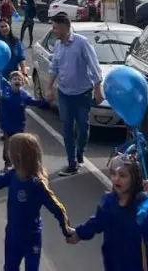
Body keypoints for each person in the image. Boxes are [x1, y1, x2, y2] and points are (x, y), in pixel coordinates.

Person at [0, 133, 72, 271]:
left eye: (10, 149)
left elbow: (57, 208)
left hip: (32, 237)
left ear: (18, 155)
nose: (8, 151)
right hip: (13, 235)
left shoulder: (37, 184)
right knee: (10, 267)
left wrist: (66, 230)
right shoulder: (12, 175)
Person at [68, 151, 148, 271]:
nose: (117, 179)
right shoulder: (108, 203)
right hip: (114, 263)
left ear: (134, 178)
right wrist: (78, 234)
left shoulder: (144, 203)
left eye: (123, 175)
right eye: (113, 174)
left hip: (139, 265)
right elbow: (96, 223)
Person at [45, 14, 103, 176]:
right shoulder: (58, 45)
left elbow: (94, 66)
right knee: (67, 128)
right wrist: (50, 87)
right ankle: (72, 163)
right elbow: (54, 67)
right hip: (64, 93)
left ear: (65, 27)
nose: (53, 30)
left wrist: (98, 89)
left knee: (83, 127)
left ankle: (80, 151)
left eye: (56, 27)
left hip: (83, 93)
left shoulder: (81, 43)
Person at [0, 18, 28, 140]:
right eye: (1, 27)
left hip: (13, 76)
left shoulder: (16, 41)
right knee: (2, 101)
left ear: (9, 27)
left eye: (6, 26)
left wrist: (24, 72)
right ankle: (3, 127)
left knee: (15, 102)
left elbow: (21, 57)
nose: (4, 28)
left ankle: (16, 127)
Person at [0, 72, 48, 170]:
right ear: (10, 81)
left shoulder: (24, 95)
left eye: (19, 79)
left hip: (19, 126)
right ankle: (7, 163)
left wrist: (46, 102)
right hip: (7, 126)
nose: (17, 81)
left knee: (18, 147)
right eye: (14, 79)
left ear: (22, 82)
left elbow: (34, 102)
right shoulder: (4, 92)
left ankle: (17, 165)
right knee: (8, 147)